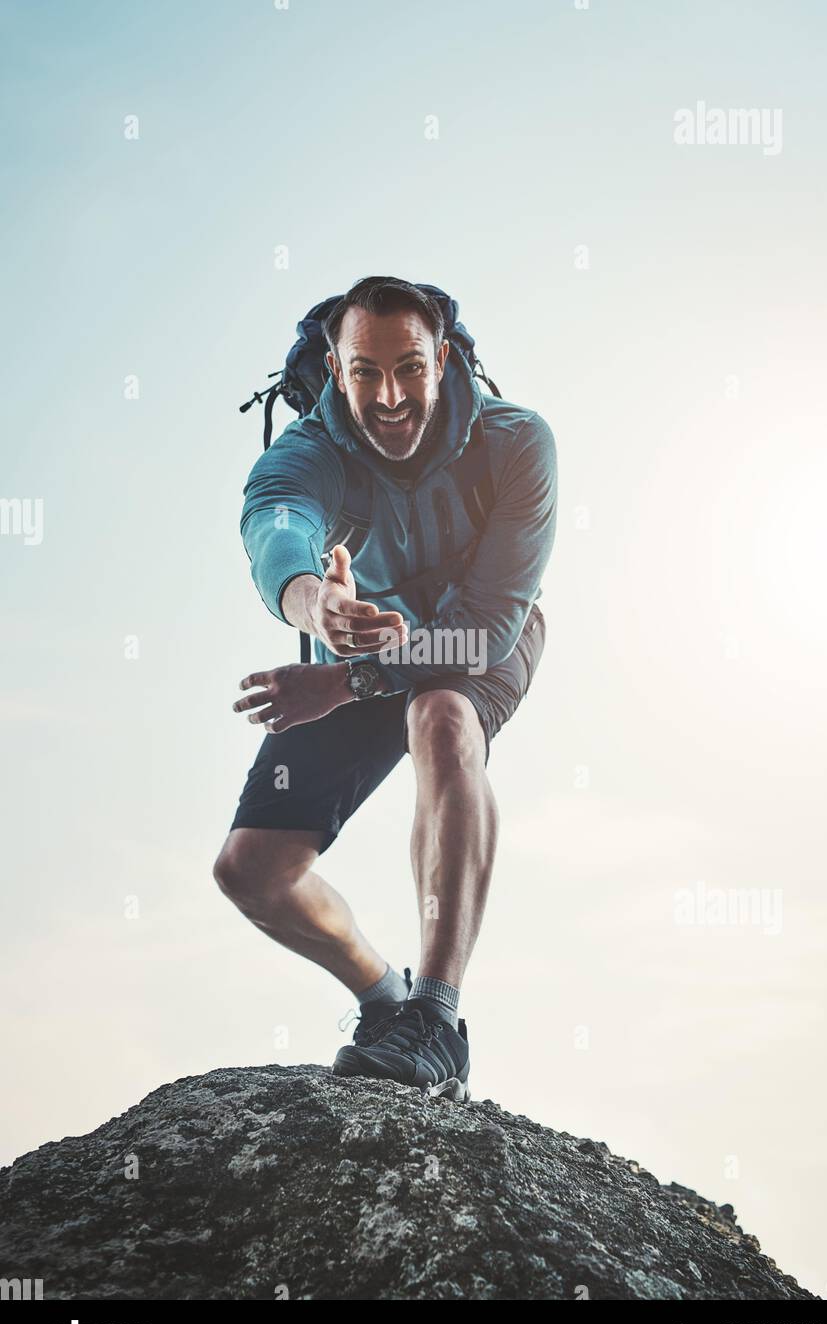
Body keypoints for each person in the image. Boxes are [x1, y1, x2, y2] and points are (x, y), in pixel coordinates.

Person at [213, 276, 557, 1102]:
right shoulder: (308, 450)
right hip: (362, 638)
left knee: (440, 713)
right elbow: (276, 524)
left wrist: (350, 678)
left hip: (478, 637)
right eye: (365, 373)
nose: (390, 396)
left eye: (408, 368)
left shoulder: (517, 443)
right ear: (335, 372)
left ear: (441, 359)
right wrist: (316, 602)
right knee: (251, 871)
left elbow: (489, 630)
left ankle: (436, 1020)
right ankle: (385, 1000)